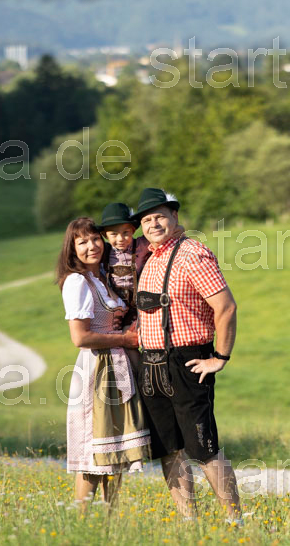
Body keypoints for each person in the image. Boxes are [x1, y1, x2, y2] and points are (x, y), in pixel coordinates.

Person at [131, 188, 241, 521]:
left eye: (159, 216)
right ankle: (188, 523)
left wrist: (220, 357)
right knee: (169, 450)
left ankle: (235, 521)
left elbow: (226, 307)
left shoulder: (193, 253)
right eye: (146, 220)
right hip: (151, 364)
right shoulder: (150, 258)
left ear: (175, 216)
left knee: (204, 448)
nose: (153, 224)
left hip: (187, 362)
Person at [96, 203, 197, 507]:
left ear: (134, 230)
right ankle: (109, 504)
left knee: (165, 427)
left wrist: (176, 227)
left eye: (126, 232)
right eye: (113, 234)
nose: (120, 239)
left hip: (145, 330)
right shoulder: (101, 256)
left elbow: (170, 235)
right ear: (105, 235)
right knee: (113, 419)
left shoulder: (143, 247)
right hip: (117, 332)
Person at [56, 217, 152, 510]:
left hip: (116, 368)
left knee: (115, 446)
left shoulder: (102, 279)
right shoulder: (77, 282)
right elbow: (80, 337)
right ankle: (81, 520)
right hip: (95, 369)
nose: (92, 246)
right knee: (92, 449)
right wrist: (125, 339)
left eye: (95, 239)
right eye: (82, 242)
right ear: (72, 249)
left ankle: (110, 523)